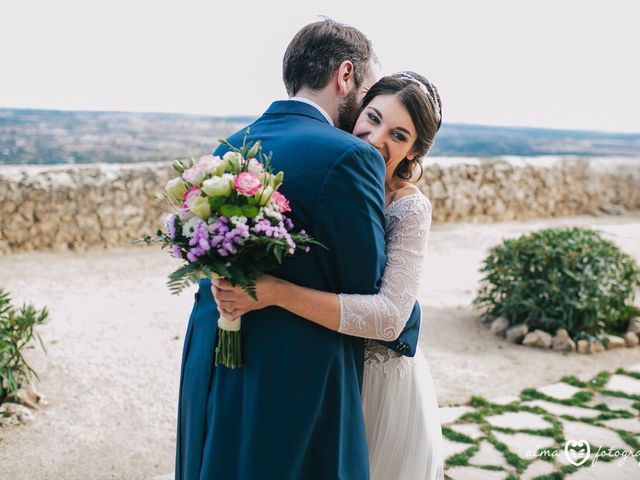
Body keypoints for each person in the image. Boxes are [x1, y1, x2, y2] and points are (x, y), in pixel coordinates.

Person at [175, 19, 422, 479]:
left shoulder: (233, 145)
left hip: (211, 348)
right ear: (345, 76)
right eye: (367, 92)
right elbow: (364, 287)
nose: (366, 109)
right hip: (294, 372)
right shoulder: (352, 156)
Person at [213, 72, 445, 480]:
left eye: (398, 135)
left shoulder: (410, 209)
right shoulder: (337, 172)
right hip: (324, 367)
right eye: (372, 118)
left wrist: (274, 292)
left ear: (412, 153)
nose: (375, 138)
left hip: (380, 384)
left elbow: (390, 318)